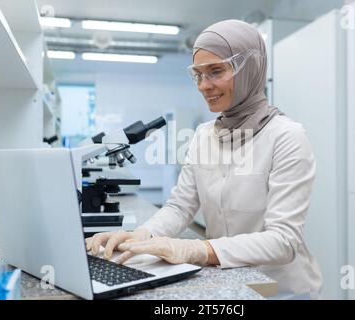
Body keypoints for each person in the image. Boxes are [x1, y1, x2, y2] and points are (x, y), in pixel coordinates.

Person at [86, 19, 322, 296]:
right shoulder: (204, 135)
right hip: (225, 282)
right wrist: (143, 234)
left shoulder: (286, 136)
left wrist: (196, 249)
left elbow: (284, 241)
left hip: (280, 289)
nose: (203, 85)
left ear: (250, 69)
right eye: (198, 74)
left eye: (215, 71)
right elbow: (181, 206)